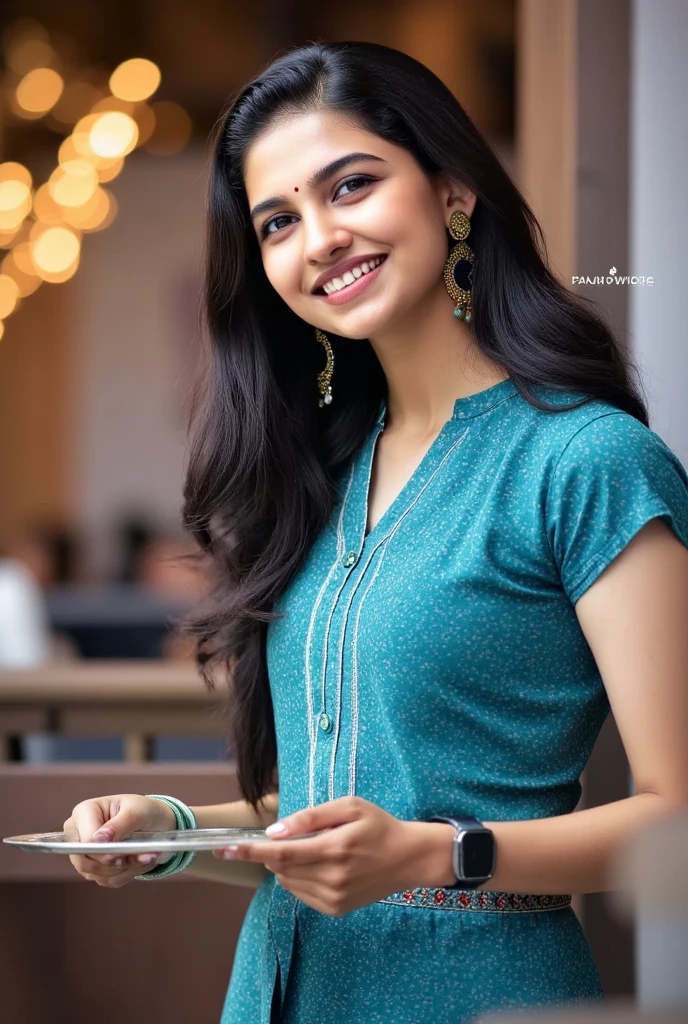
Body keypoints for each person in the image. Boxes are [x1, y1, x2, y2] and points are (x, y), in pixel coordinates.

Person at [63, 40, 688, 1024]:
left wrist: (442, 851)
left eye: (349, 186)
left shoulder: (587, 464)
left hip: (478, 996)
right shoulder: (318, 475)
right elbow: (335, 821)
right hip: (272, 991)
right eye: (278, 221)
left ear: (453, 192)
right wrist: (173, 829)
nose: (318, 238)